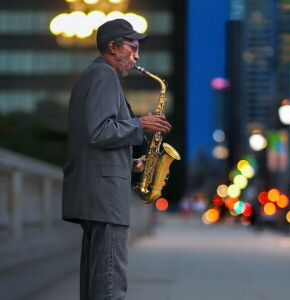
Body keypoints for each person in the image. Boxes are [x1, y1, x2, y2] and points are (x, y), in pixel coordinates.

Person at [62, 18, 171, 299]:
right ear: (112, 47)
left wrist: (133, 164)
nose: (137, 56)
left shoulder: (94, 75)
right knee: (110, 284)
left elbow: (94, 136)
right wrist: (141, 124)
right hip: (105, 197)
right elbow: (99, 132)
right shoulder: (104, 76)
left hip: (96, 193)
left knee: (96, 282)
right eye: (132, 48)